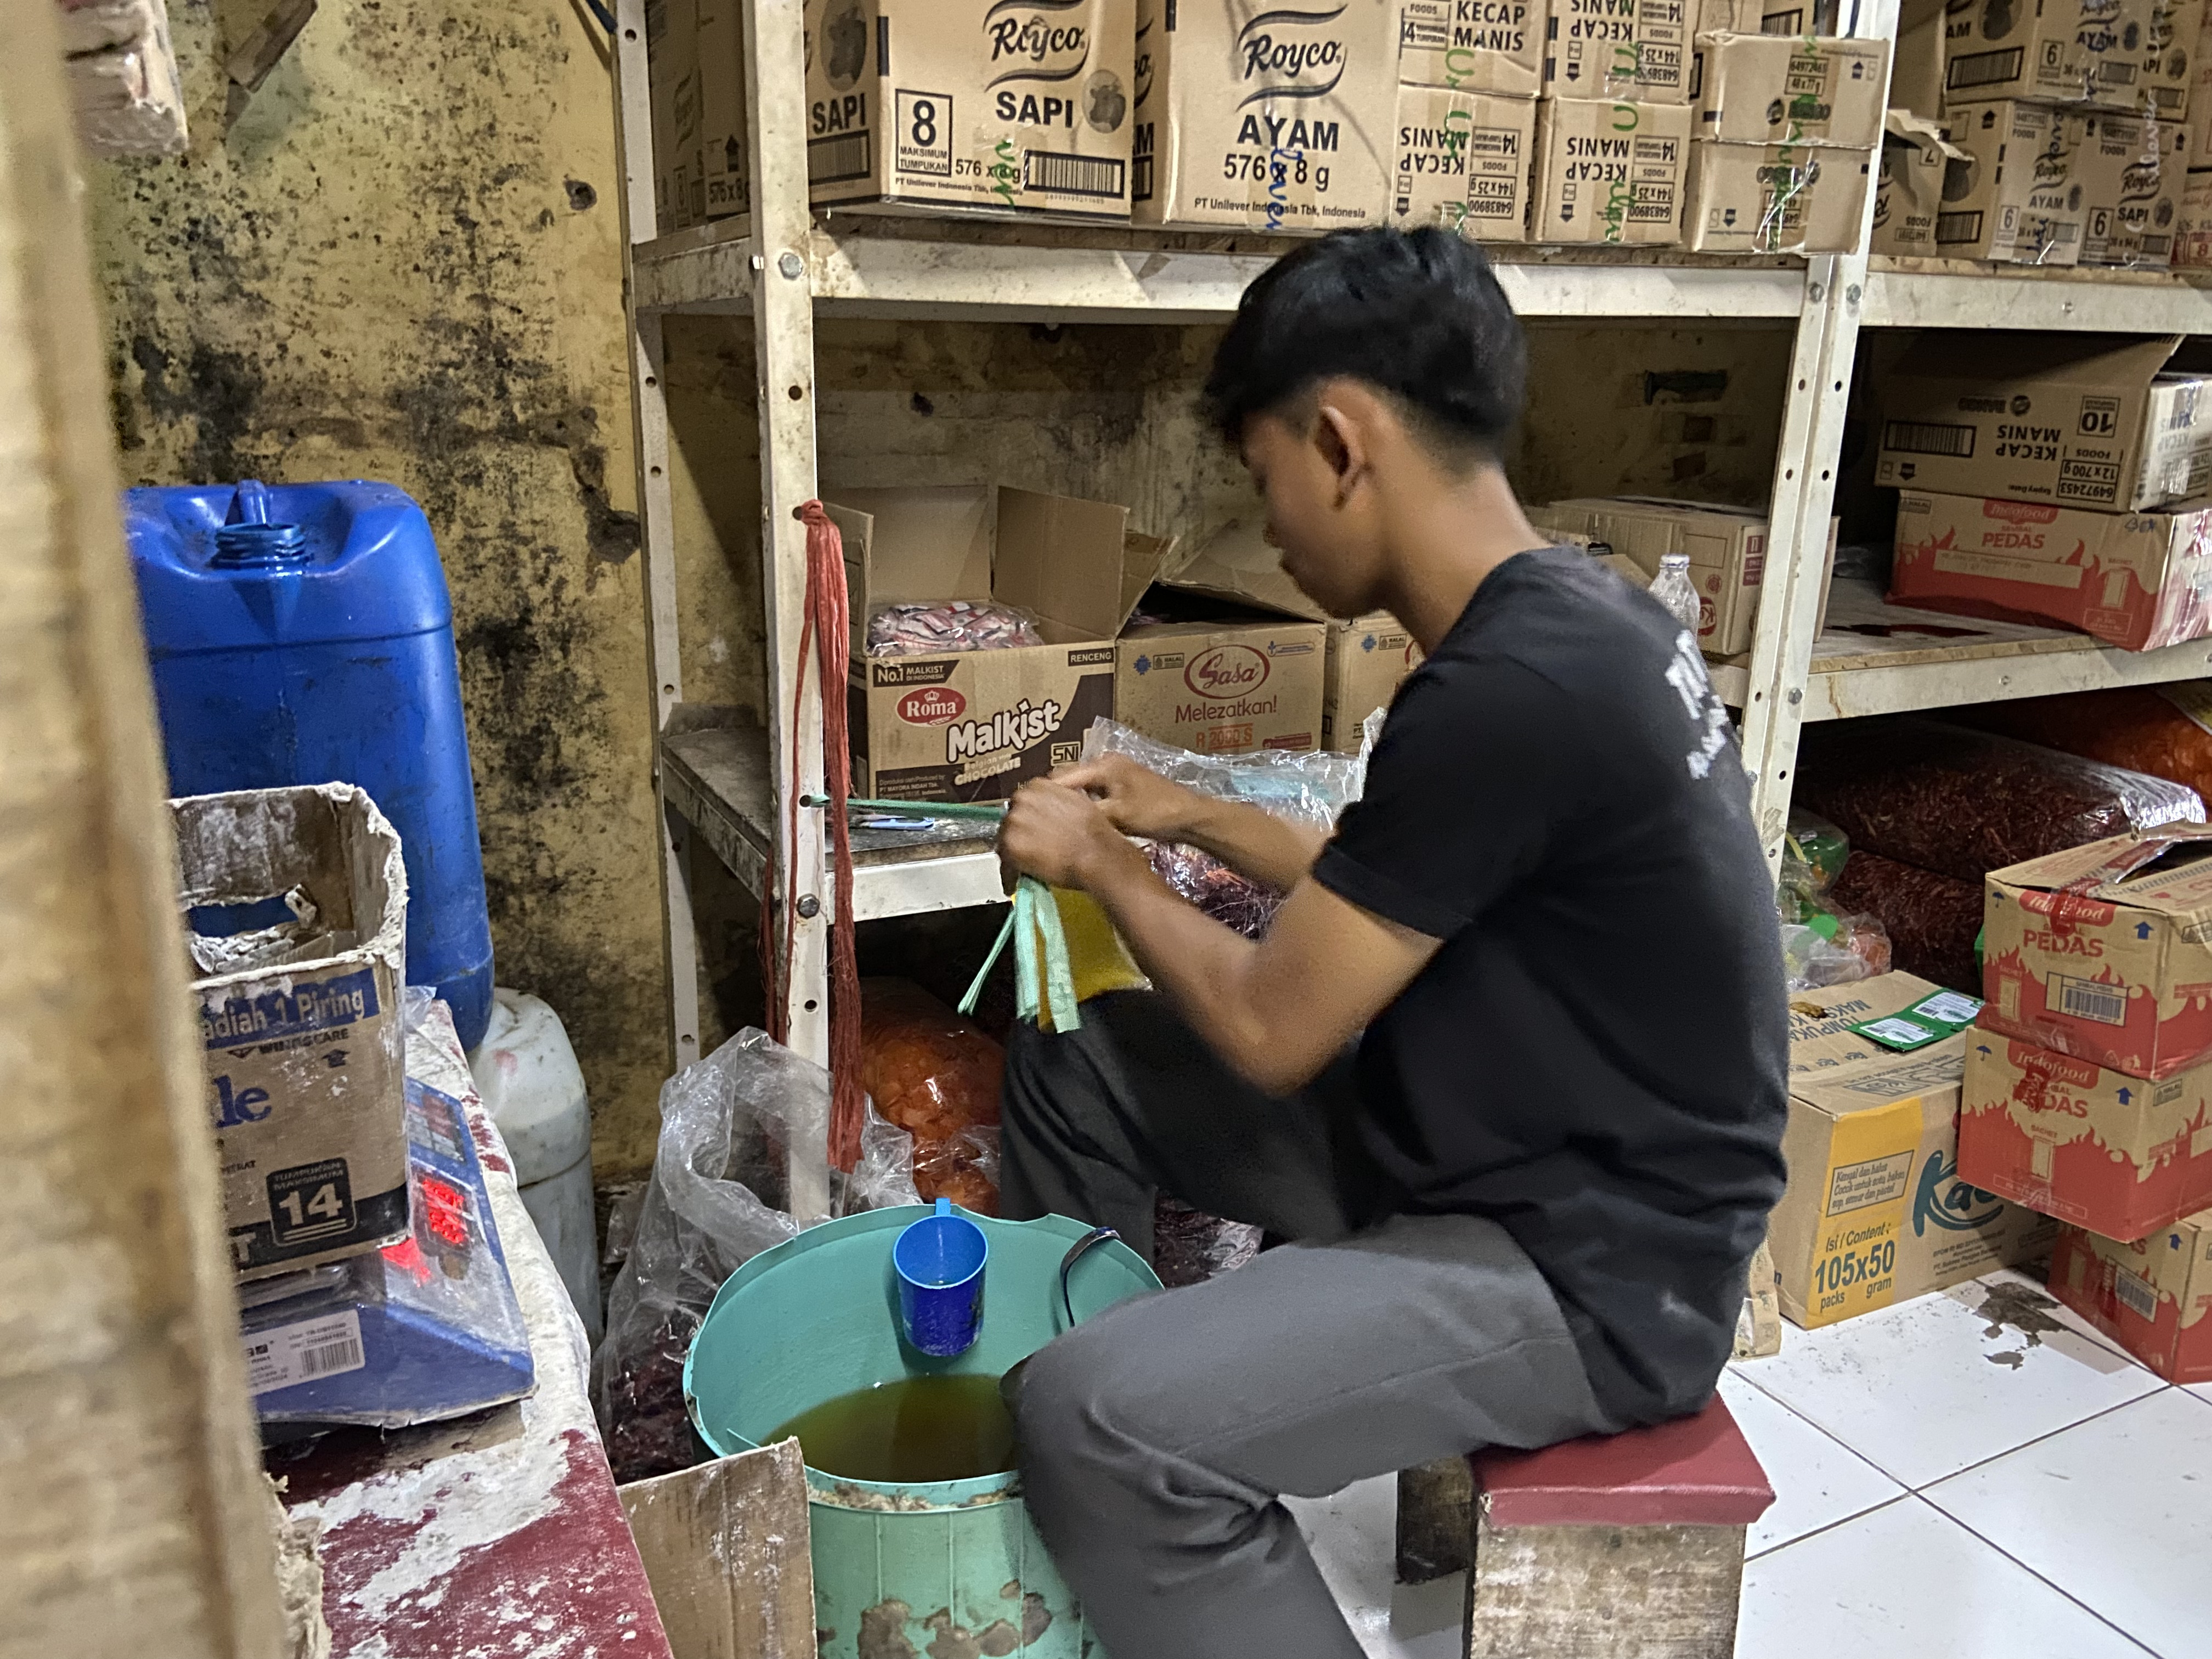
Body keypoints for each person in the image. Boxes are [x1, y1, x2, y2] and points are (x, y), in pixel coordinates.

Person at [989, 226, 1788, 1659]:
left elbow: (1270, 1029)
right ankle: (1147, 1477)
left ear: (1343, 442)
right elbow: (1400, 876)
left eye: (1264, 474)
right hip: (1504, 1146)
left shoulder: (1508, 688)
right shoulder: (1578, 613)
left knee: (1091, 1423)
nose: (1272, 524)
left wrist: (1105, 863)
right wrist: (1194, 812)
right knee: (1077, 1062)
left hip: (1594, 1272)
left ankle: (1130, 1460)